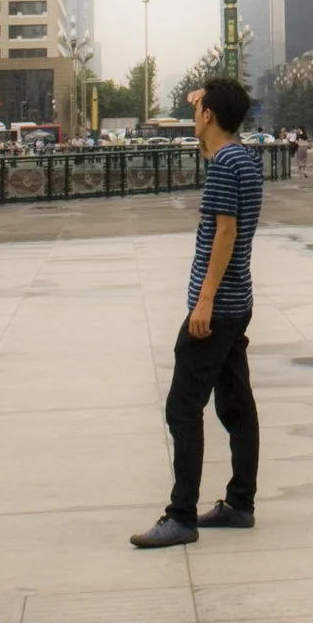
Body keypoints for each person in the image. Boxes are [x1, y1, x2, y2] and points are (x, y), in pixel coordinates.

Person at [130, 78, 265, 548]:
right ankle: (240, 503)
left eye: (198, 110)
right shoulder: (241, 158)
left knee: (182, 408)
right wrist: (208, 99)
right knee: (235, 405)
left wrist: (204, 300)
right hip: (238, 301)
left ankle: (181, 516)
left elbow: (225, 233)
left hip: (217, 307)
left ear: (209, 115)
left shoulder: (226, 164)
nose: (193, 116)